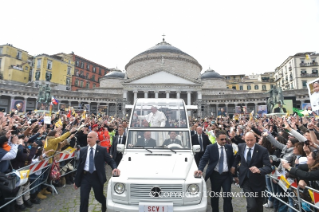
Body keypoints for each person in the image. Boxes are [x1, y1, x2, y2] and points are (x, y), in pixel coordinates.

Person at [74, 131, 120, 212]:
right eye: (88, 137)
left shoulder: (102, 150)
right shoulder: (83, 150)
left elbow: (110, 160)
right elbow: (79, 167)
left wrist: (114, 168)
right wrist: (77, 181)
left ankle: (104, 203)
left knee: (99, 197)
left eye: (91, 137)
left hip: (97, 177)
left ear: (96, 138)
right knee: (84, 199)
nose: (88, 139)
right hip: (85, 177)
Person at [231, 132, 272, 212]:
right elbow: (237, 158)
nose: (249, 142)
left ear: (255, 139)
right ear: (244, 139)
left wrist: (259, 170)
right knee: (252, 205)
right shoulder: (241, 146)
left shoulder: (262, 150)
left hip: (258, 182)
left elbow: (268, 167)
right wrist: (233, 166)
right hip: (245, 180)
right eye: (247, 140)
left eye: (251, 140)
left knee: (258, 206)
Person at [195, 130, 234, 212]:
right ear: (216, 139)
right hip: (215, 175)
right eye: (222, 139)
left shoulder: (229, 147)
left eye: (225, 139)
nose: (224, 141)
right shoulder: (210, 148)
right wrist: (200, 169)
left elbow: (233, 160)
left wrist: (233, 167)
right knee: (215, 196)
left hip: (226, 175)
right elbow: (204, 159)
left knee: (227, 196)